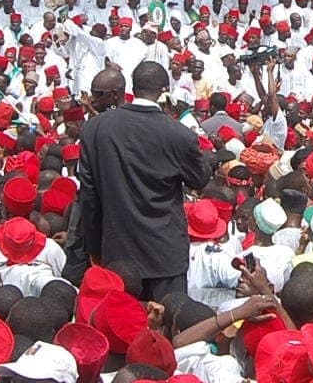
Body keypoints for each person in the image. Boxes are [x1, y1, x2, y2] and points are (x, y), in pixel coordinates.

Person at [70, 60, 213, 299]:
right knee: (167, 326)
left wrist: (95, 246)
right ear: (165, 90)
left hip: (117, 250)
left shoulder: (95, 128)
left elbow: (88, 195)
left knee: (121, 325)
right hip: (165, 254)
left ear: (132, 88)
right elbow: (199, 180)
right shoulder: (179, 134)